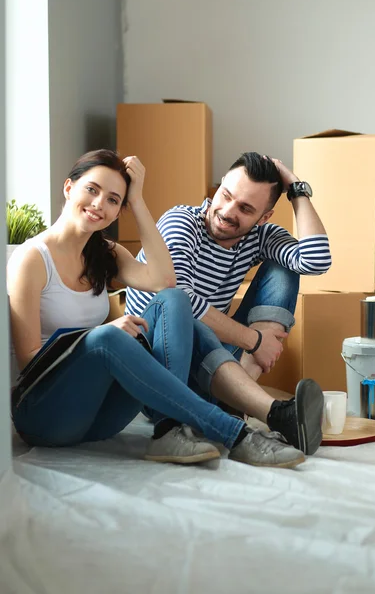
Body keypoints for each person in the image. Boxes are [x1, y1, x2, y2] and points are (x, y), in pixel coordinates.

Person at [8, 149, 309, 470]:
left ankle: (169, 428)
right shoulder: (31, 259)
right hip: (44, 414)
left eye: (113, 200)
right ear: (69, 188)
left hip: (97, 420)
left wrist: (137, 200)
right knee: (106, 340)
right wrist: (97, 335)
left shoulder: (105, 254)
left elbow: (166, 281)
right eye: (92, 190)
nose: (99, 204)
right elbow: (29, 360)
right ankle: (236, 434)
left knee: (174, 299)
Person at [125, 152, 332, 453]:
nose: (227, 211)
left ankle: (233, 407)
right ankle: (269, 411)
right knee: (184, 311)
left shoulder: (259, 237)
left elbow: (315, 260)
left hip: (213, 367)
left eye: (246, 208)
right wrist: (254, 340)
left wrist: (296, 188)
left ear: (263, 218)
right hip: (160, 372)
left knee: (286, 266)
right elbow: (179, 299)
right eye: (226, 195)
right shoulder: (182, 222)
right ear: (219, 187)